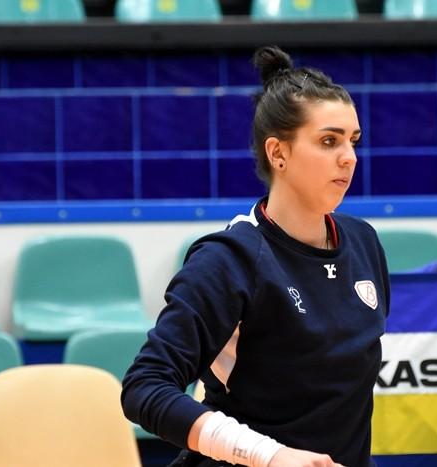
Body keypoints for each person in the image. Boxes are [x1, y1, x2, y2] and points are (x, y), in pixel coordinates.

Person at [121, 46, 390, 467]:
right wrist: (270, 455)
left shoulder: (363, 241)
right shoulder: (229, 259)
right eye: (328, 141)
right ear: (278, 153)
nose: (349, 157)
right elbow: (145, 387)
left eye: (353, 141)